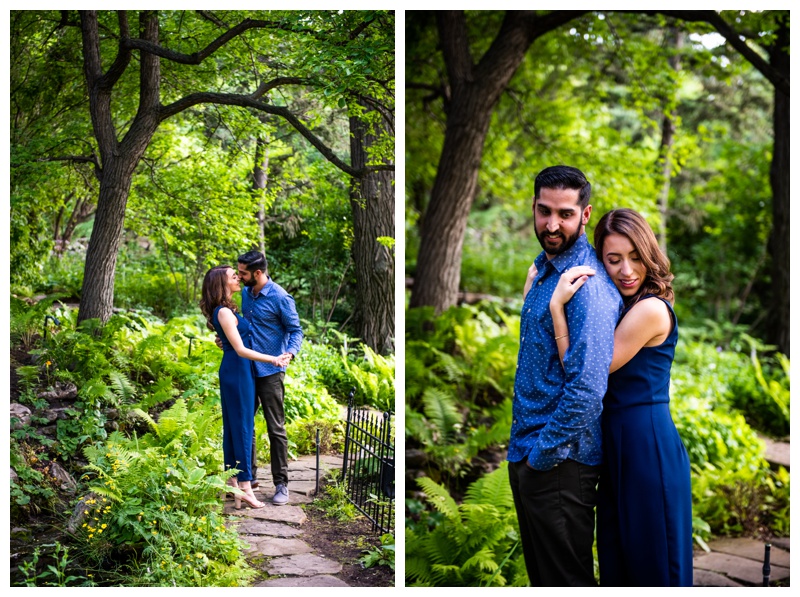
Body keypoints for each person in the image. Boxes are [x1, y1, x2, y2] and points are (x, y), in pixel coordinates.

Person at [548, 208, 693, 586]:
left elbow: (586, 370)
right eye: (614, 259)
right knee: (619, 562)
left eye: (635, 257)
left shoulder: (650, 309)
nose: (627, 269)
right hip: (616, 448)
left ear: (649, 256)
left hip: (647, 449)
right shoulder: (619, 305)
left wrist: (557, 309)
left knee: (651, 564)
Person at [508, 165, 623, 586]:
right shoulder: (543, 270)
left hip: (561, 461)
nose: (552, 224)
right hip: (530, 451)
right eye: (544, 211)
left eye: (565, 213)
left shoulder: (586, 286)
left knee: (567, 583)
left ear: (586, 214)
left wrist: (541, 457)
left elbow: (588, 389)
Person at [199, 265, 291, 509]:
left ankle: (232, 484)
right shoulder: (225, 313)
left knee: (234, 428)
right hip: (238, 370)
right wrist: (273, 358)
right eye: (233, 276)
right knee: (241, 427)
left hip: (239, 370)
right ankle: (246, 488)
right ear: (222, 284)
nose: (238, 278)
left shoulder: (228, 309)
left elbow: (234, 340)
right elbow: (240, 349)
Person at [236, 250, 303, 506]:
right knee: (245, 425)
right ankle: (249, 479)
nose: (239, 276)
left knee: (276, 428)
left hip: (272, 372)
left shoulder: (280, 297)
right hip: (246, 369)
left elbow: (295, 330)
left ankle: (281, 484)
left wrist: (290, 353)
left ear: (258, 273)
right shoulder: (245, 293)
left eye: (243, 273)